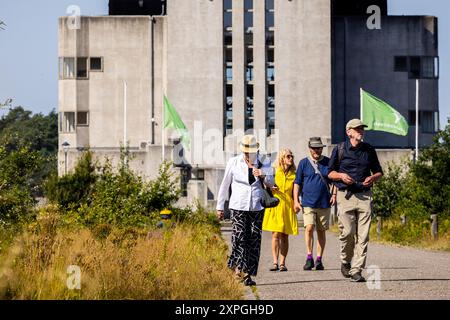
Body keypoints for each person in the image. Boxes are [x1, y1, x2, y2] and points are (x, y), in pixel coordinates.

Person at [328, 119, 383, 282]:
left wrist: (373, 177)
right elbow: (330, 172)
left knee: (363, 236)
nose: (361, 131)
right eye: (357, 129)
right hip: (345, 196)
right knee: (348, 233)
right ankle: (345, 261)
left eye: (362, 129)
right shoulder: (339, 149)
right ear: (348, 132)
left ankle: (356, 269)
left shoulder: (369, 150)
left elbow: (379, 172)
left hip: (365, 196)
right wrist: (341, 176)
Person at [216, 135, 274, 286]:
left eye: (251, 151)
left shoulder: (264, 162)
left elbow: (272, 182)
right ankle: (237, 270)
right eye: (246, 151)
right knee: (239, 238)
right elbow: (225, 184)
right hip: (238, 205)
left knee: (254, 240)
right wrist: (220, 207)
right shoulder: (233, 162)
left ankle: (247, 274)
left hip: (256, 206)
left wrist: (263, 174)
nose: (248, 153)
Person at [294, 137, 336, 271]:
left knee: (321, 231)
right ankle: (309, 256)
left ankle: (319, 259)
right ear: (310, 148)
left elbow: (334, 180)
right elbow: (297, 183)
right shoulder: (303, 163)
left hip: (324, 202)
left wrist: (334, 194)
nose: (317, 150)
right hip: (308, 202)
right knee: (309, 227)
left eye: (319, 148)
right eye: (315, 148)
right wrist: (296, 200)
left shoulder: (328, 162)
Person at [262, 149, 298, 272]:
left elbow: (296, 190)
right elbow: (264, 182)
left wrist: (297, 203)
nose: (291, 158)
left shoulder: (294, 173)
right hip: (276, 204)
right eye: (288, 156)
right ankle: (275, 262)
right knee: (275, 234)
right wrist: (270, 186)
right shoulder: (274, 171)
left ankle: (283, 263)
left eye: (292, 156)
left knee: (285, 235)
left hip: (288, 205)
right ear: (282, 158)